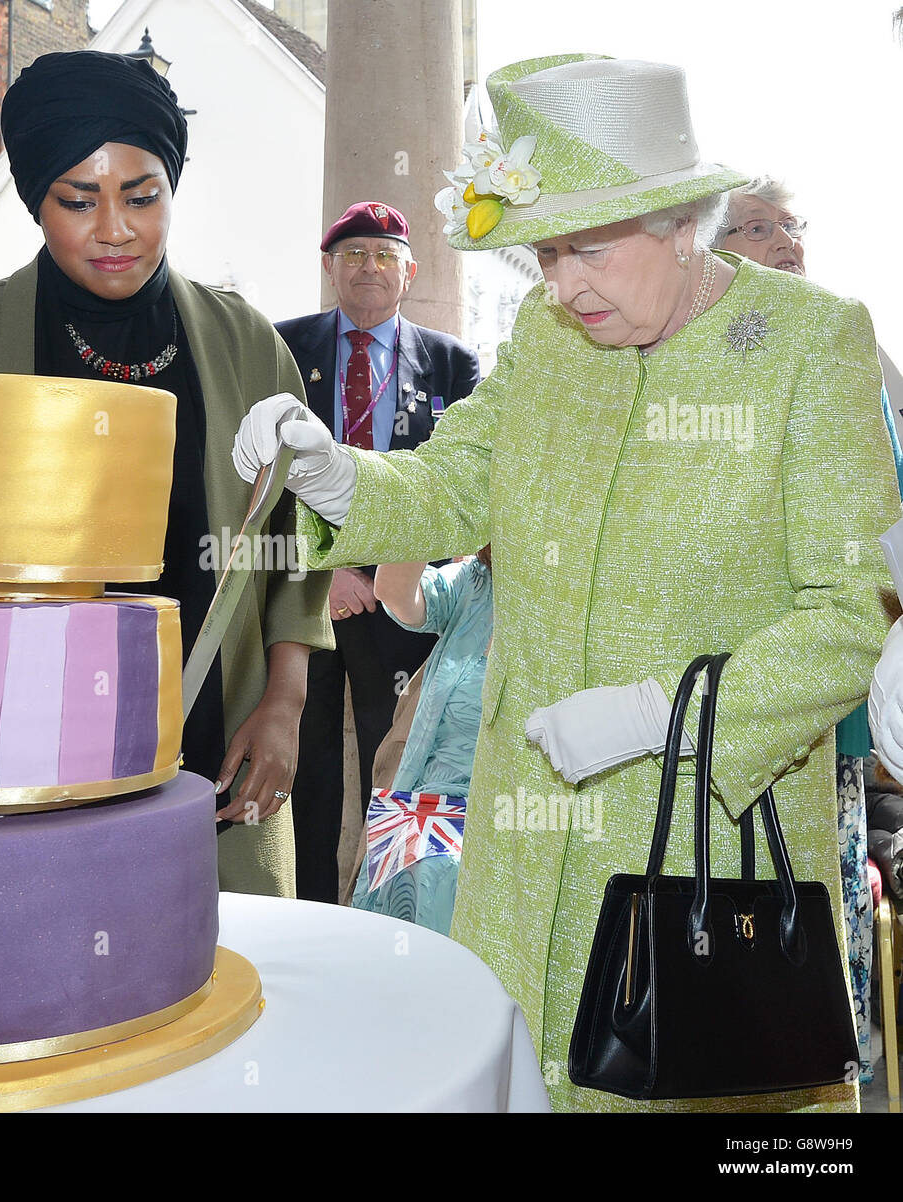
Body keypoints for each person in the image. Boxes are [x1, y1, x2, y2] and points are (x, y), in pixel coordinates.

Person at [236, 54, 899, 1112]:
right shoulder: (548, 342)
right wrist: (330, 472)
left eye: (587, 248)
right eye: (545, 253)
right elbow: (452, 484)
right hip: (523, 856)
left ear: (685, 221)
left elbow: (848, 605)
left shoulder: (809, 345)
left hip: (696, 857)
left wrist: (660, 718)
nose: (561, 285)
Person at [0, 52, 331, 896]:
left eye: (143, 196)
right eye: (77, 199)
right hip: (22, 757)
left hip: (217, 745)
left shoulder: (248, 346)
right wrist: (23, 541)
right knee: (43, 982)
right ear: (35, 201)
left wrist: (284, 704)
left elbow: (297, 545)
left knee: (229, 987)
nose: (115, 228)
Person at [717, 175, 903, 1085]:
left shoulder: (846, 344)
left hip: (844, 674)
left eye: (794, 225)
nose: (786, 239)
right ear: (714, 249)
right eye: (760, 226)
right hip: (736, 679)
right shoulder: (701, 358)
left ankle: (828, 1056)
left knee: (829, 871)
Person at [275, 202, 479, 903]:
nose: (369, 267)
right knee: (306, 764)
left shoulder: (453, 363)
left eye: (385, 255)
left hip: (404, 597)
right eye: (354, 253)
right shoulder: (282, 347)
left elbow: (460, 484)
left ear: (410, 272)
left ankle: (396, 911)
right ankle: (306, 913)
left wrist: (384, 568)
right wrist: (323, 569)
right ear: (329, 267)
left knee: (402, 757)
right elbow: (263, 475)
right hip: (305, 591)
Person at [351, 552, 492, 933]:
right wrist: (430, 506)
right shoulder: (473, 581)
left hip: (526, 805)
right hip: (435, 799)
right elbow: (393, 591)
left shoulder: (580, 604)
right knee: (423, 863)